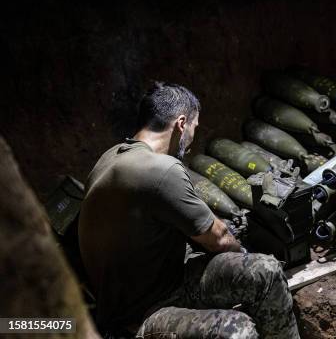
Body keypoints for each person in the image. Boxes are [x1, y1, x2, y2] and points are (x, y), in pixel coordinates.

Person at [78, 82, 300, 339]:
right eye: (195, 127)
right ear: (181, 124)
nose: (193, 140)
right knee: (238, 330)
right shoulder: (162, 169)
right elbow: (219, 239)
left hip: (162, 283)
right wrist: (241, 259)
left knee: (266, 271)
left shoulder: (109, 158)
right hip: (141, 316)